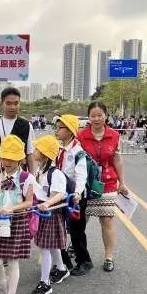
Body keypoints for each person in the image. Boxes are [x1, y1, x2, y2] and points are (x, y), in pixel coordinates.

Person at [0, 135, 36, 294]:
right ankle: (2, 283)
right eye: (5, 157)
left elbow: (29, 202)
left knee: (13, 262)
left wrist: (12, 209)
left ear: (20, 160)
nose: (7, 162)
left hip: (17, 222)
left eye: (12, 159)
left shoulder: (27, 178)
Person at [78, 102, 128, 272]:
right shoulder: (81, 136)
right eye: (93, 115)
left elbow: (117, 160)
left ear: (106, 116)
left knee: (107, 219)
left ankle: (109, 257)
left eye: (100, 115)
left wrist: (122, 182)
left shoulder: (114, 135)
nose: (96, 119)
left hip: (108, 182)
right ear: (88, 117)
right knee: (80, 220)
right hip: (86, 183)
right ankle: (77, 249)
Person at [30, 135, 69, 294]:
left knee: (44, 247)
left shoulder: (55, 173)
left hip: (50, 212)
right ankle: (61, 268)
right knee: (50, 244)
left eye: (37, 149)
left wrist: (47, 203)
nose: (34, 151)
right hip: (41, 211)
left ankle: (45, 283)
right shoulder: (40, 170)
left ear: (45, 154)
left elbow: (60, 193)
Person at [54, 114, 90, 277]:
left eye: (60, 128)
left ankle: (84, 262)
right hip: (61, 195)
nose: (56, 130)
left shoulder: (78, 152)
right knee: (58, 228)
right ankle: (64, 262)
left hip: (75, 198)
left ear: (69, 131)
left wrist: (77, 193)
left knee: (76, 231)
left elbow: (81, 175)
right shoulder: (59, 149)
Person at [0, 87, 37, 173]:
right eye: (8, 103)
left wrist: (32, 176)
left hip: (18, 175)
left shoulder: (26, 125)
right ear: (1, 103)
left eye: (16, 103)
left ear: (19, 104)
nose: (12, 107)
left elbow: (30, 154)